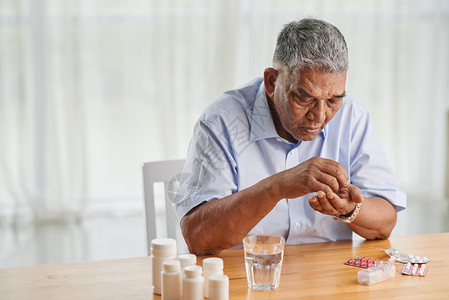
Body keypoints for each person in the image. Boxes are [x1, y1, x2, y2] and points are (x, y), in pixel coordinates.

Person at [173, 18, 406, 255]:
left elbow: (385, 223)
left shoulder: (352, 117)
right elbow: (198, 239)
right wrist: (277, 186)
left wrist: (349, 210)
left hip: (329, 283)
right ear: (272, 82)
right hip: (247, 279)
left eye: (333, 100)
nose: (319, 116)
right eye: (304, 98)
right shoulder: (220, 121)